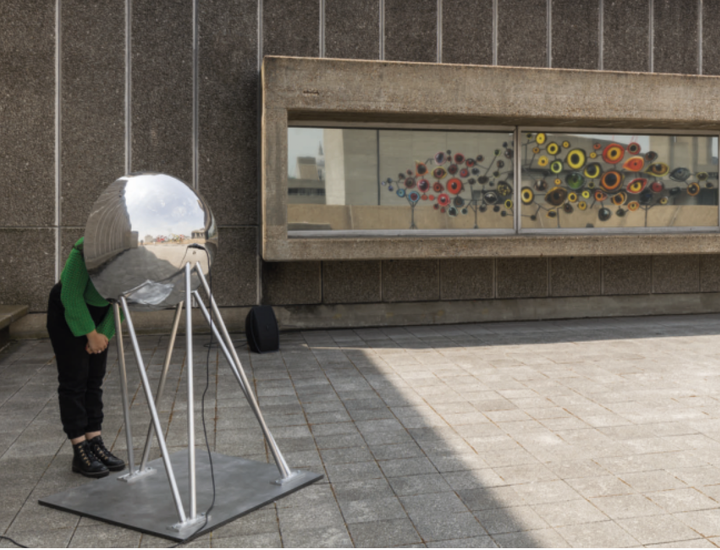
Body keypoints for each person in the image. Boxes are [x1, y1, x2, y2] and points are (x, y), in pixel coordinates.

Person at [46, 237, 125, 478]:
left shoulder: (134, 253)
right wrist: (90, 333)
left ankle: (94, 441)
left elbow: (124, 297)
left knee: (94, 380)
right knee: (74, 380)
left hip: (102, 315)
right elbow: (70, 296)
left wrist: (104, 332)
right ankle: (79, 448)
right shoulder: (86, 247)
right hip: (68, 309)